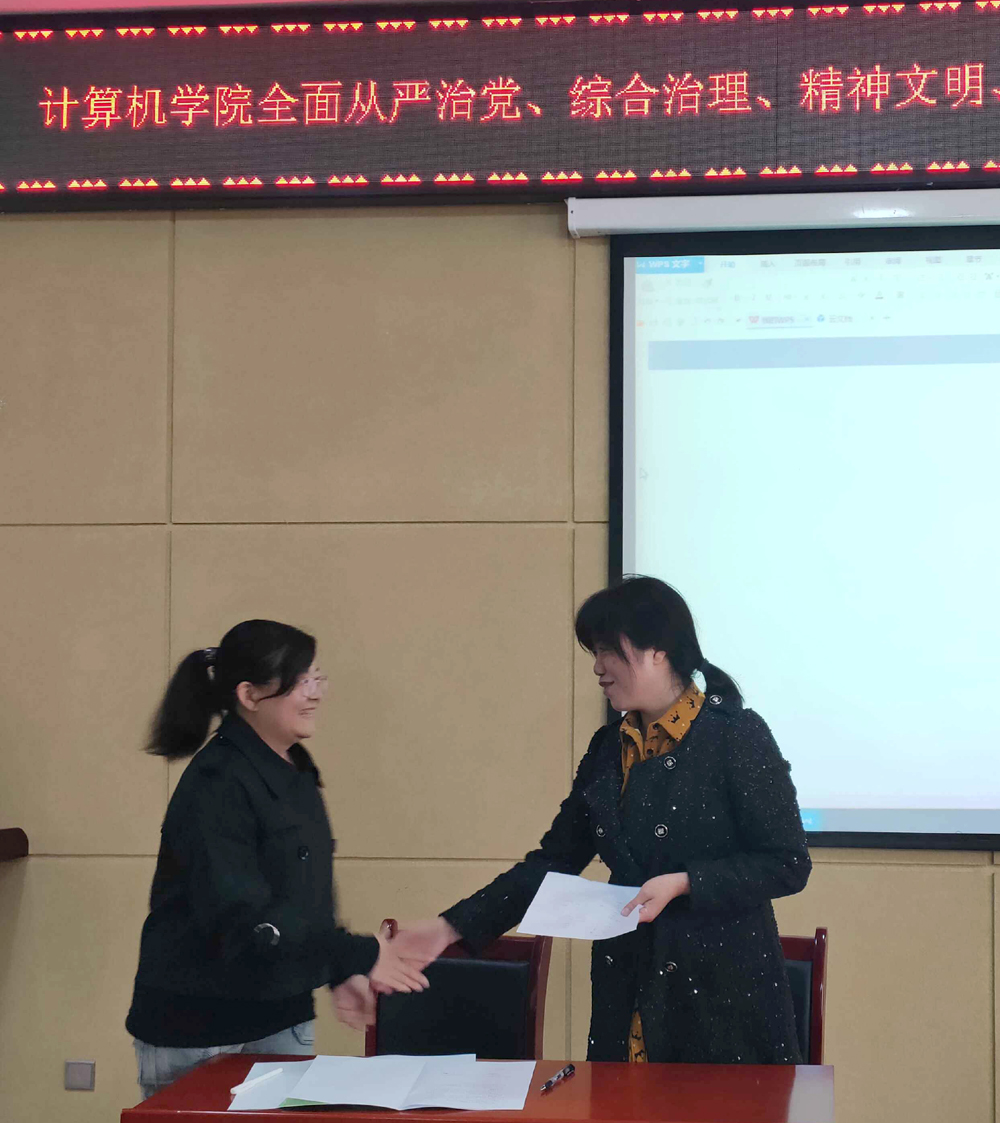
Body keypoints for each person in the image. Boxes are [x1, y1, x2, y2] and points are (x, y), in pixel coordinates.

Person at [388, 577, 811, 1064]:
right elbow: (552, 862)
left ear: (658, 650)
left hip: (722, 1007)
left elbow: (787, 863)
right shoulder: (609, 748)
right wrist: (450, 927)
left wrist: (685, 883)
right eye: (595, 651)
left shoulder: (736, 735)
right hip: (626, 993)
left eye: (608, 650)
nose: (597, 667)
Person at [126, 619, 430, 1100]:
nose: (315, 693)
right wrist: (355, 954)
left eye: (317, 678)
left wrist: (335, 970)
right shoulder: (217, 782)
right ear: (249, 695)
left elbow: (303, 893)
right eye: (299, 682)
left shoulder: (294, 767)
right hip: (199, 1026)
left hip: (281, 1011)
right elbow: (242, 912)